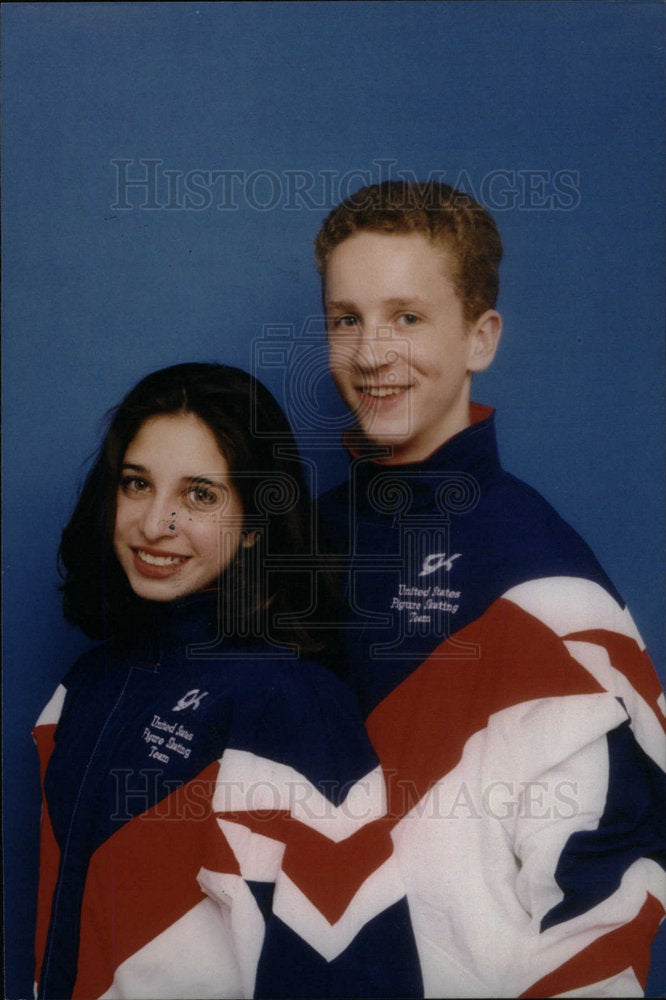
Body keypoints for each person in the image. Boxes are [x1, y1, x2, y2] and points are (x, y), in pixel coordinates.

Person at [314, 181, 666, 997]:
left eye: (408, 317)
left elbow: (603, 903)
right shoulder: (294, 541)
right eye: (346, 319)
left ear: (481, 338)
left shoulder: (545, 581)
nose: (371, 353)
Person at [33, 362, 421, 1000]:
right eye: (137, 484)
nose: (155, 523)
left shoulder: (291, 701)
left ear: (255, 527)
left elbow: (349, 962)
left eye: (200, 495)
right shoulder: (85, 685)